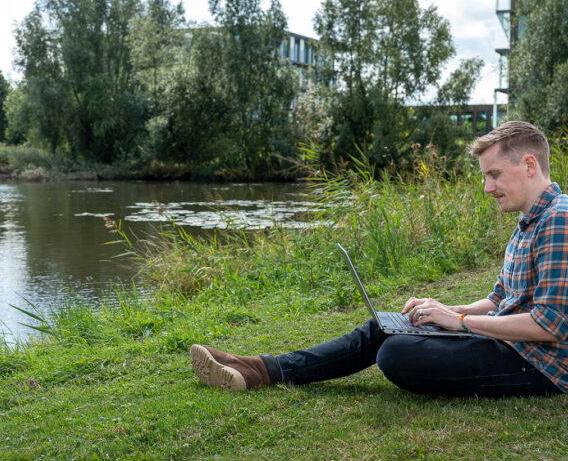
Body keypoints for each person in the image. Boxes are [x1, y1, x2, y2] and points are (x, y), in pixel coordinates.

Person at [191, 121, 568, 397]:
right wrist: (442, 310)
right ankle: (259, 369)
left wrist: (460, 321)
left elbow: (549, 326)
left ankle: (258, 370)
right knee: (391, 325)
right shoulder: (527, 221)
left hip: (538, 365)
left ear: (530, 166)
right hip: (510, 344)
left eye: (494, 175)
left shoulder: (558, 220)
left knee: (397, 352)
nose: (487, 187)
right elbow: (501, 299)